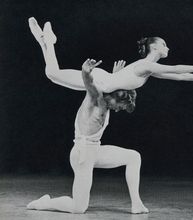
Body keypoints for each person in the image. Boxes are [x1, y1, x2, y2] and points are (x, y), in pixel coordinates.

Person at [27, 58, 148, 214]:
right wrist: (85, 72)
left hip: (95, 150)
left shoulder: (108, 99)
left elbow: (112, 86)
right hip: (81, 154)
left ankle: (137, 204)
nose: (118, 110)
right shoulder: (95, 98)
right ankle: (42, 203)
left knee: (133, 156)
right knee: (78, 208)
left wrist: (116, 76)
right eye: (120, 106)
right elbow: (89, 84)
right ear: (114, 98)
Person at [28, 17, 193, 93]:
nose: (168, 48)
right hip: (100, 80)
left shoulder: (149, 70)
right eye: (164, 44)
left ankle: (45, 42)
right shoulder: (146, 66)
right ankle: (48, 42)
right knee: (52, 74)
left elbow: (179, 76)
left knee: (52, 75)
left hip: (103, 81)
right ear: (154, 47)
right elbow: (175, 68)